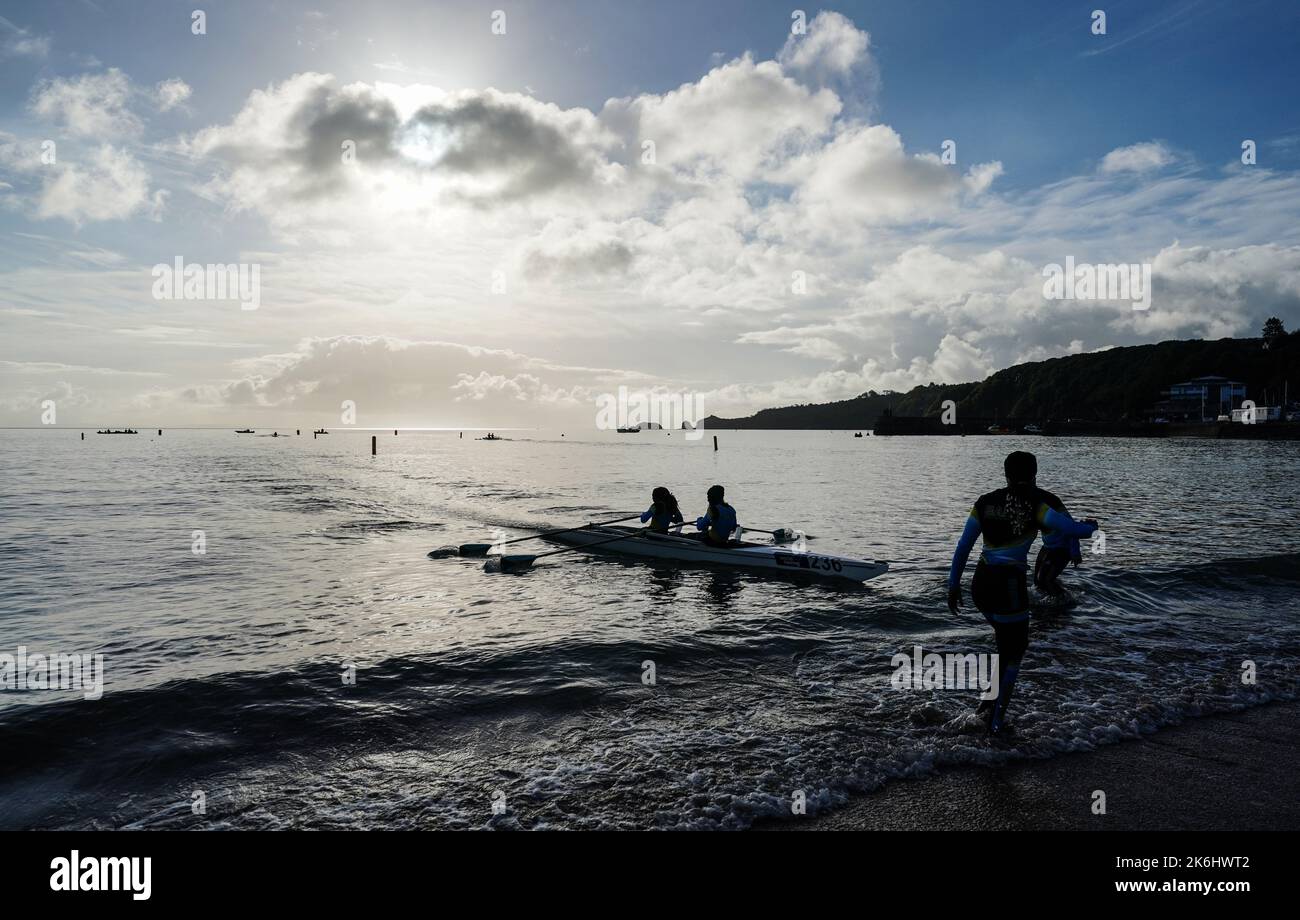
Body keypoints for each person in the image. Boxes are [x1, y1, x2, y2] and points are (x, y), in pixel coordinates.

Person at [946, 451, 1098, 735]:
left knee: (1005, 646)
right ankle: (996, 723)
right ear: (1035, 473)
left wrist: (953, 585)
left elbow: (963, 546)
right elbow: (1072, 529)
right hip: (1009, 588)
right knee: (1014, 652)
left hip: (980, 585)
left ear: (1005, 474)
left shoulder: (984, 502)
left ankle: (985, 708)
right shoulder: (1037, 506)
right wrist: (1091, 526)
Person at [1033, 491, 1083, 601]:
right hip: (1048, 546)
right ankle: (1046, 600)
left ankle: (1065, 600)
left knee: (1047, 580)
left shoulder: (1058, 513)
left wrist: (1075, 553)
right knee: (1037, 581)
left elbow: (1073, 530)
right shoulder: (1035, 509)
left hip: (1062, 549)